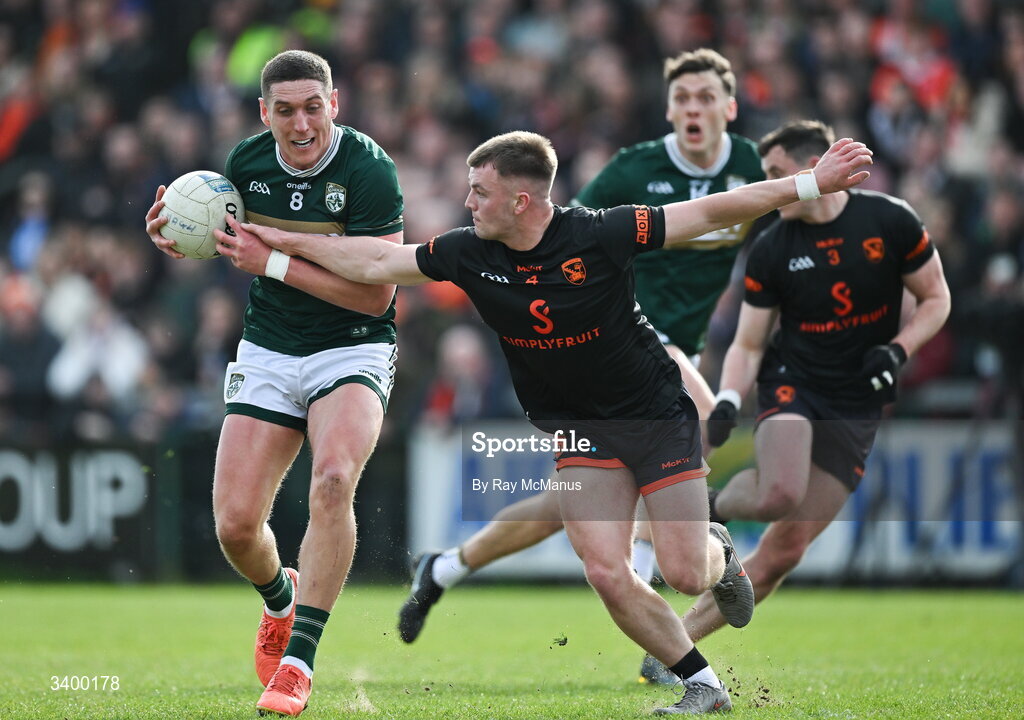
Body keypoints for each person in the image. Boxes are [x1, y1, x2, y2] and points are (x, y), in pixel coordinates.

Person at [240, 129, 873, 714]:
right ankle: (703, 686)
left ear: (521, 201)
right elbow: (378, 263)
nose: (467, 203)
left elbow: (710, 212)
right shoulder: (467, 253)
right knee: (604, 568)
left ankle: (721, 557)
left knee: (685, 572)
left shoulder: (599, 233)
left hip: (653, 413)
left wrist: (813, 182)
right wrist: (272, 246)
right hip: (577, 427)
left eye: (479, 191)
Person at [396, 50, 767, 672]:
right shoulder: (634, 169)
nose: (692, 109)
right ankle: (669, 632)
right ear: (668, 110)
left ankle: (449, 567)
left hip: (649, 359)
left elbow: (756, 220)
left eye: (704, 98)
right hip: (614, 343)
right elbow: (558, 231)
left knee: (585, 511)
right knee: (583, 518)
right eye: (681, 99)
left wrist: (810, 185)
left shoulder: (749, 167)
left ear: (730, 108)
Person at [145, 50, 404, 717]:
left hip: (351, 348)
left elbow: (375, 300)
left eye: (312, 106)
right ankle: (280, 600)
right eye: (284, 110)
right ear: (265, 113)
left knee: (334, 479)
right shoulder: (245, 165)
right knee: (235, 527)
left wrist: (276, 263)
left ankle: (299, 663)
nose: (300, 123)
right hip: (269, 348)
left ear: (334, 104)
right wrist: (182, 235)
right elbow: (227, 238)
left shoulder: (370, 171)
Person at [682, 120, 951, 644]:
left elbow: (937, 299)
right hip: (794, 382)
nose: (772, 187)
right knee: (779, 493)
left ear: (813, 169)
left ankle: (674, 646)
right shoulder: (771, 246)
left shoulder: (891, 221)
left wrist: (898, 350)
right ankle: (713, 512)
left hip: (857, 400)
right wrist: (731, 397)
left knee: (785, 551)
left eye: (778, 173)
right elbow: (750, 343)